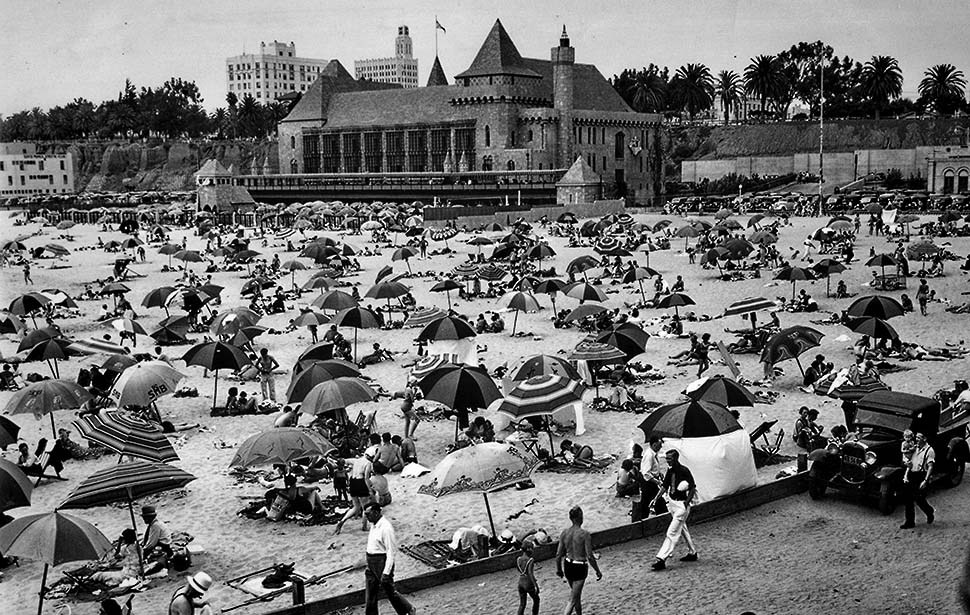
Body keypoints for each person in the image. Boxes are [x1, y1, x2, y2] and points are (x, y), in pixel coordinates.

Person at [360, 502, 415, 615]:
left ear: (376, 513)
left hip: (381, 562)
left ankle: (408, 610)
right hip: (371, 561)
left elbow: (391, 552)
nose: (366, 517)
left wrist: (386, 572)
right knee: (370, 593)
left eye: (368, 514)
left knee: (390, 591)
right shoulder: (374, 525)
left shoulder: (386, 528)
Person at [650, 449, 698, 570]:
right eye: (667, 459)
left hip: (681, 505)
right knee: (682, 529)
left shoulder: (684, 471)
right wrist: (655, 498)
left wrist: (686, 503)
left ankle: (661, 558)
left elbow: (692, 488)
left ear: (676, 458)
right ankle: (692, 552)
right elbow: (665, 486)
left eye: (670, 459)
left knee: (671, 532)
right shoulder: (670, 471)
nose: (667, 461)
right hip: (672, 504)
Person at [555, 505, 602, 615]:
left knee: (576, 595)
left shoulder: (564, 533)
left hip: (568, 565)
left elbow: (558, 554)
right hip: (579, 567)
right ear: (580, 517)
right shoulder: (584, 534)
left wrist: (559, 569)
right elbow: (590, 556)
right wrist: (597, 570)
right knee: (572, 600)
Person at [900, 431, 935, 529]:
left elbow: (930, 467)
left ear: (924, 439)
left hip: (921, 475)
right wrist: (906, 463)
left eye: (919, 438)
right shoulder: (914, 448)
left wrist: (925, 480)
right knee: (908, 499)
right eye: (916, 437)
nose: (916, 440)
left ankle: (929, 511)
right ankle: (910, 522)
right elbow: (905, 458)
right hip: (911, 474)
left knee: (919, 499)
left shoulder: (929, 450)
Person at [335, 453, 375, 534]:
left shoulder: (356, 460)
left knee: (356, 507)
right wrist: (370, 490)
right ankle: (364, 526)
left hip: (353, 482)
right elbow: (366, 478)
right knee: (365, 507)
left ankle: (342, 521)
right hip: (361, 482)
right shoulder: (368, 463)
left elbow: (343, 460)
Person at [639, 435, 666, 514]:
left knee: (646, 502)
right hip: (649, 483)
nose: (661, 447)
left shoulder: (654, 454)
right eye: (659, 445)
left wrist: (659, 473)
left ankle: (642, 518)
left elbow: (653, 467)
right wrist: (657, 481)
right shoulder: (649, 455)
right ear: (654, 445)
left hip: (651, 481)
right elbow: (646, 473)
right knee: (658, 502)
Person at [515, 539, 540, 615]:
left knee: (522, 604)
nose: (532, 551)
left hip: (520, 582)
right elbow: (530, 573)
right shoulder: (530, 560)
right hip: (528, 583)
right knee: (536, 600)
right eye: (532, 548)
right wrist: (535, 585)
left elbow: (519, 570)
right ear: (528, 549)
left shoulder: (518, 559)